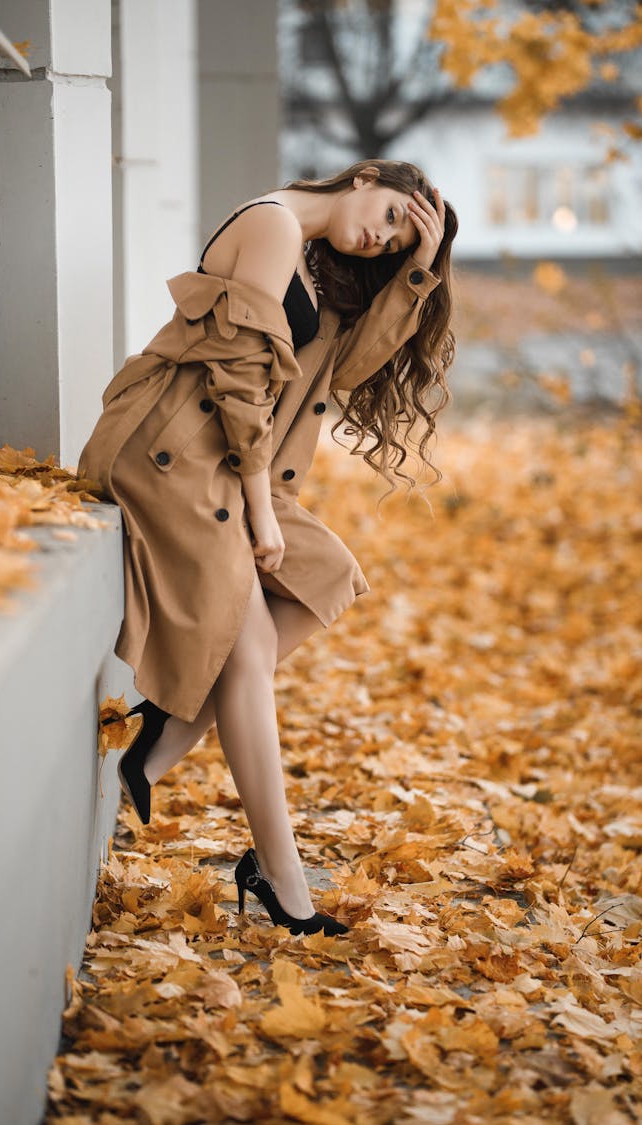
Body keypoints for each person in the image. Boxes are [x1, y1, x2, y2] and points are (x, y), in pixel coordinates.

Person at [78, 160, 457, 937]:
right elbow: (239, 382)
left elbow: (344, 370)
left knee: (330, 577)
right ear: (364, 177)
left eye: (392, 239)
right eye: (387, 214)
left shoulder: (318, 269)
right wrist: (262, 514)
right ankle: (283, 880)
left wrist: (417, 273)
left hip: (226, 464)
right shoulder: (274, 223)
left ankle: (164, 732)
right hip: (175, 452)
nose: (377, 236)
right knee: (249, 647)